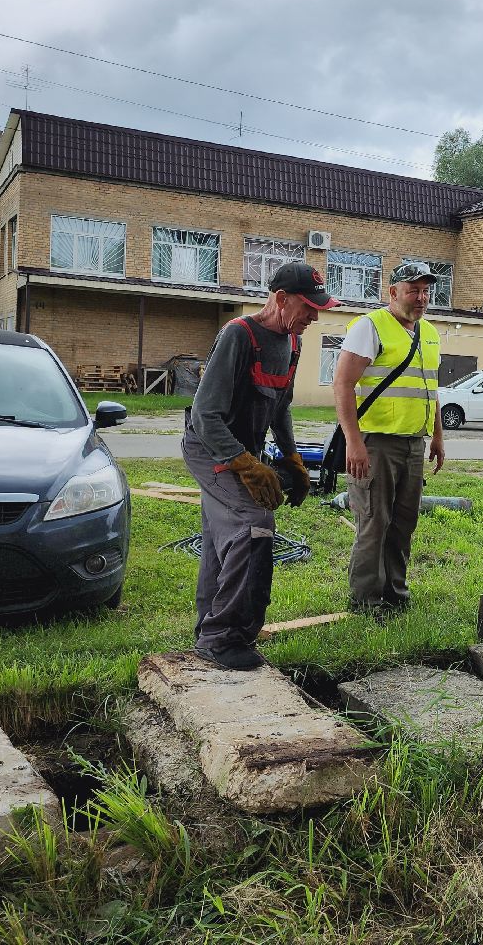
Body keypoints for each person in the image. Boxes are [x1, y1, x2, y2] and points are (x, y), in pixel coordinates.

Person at [181, 261, 337, 670]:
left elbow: (280, 406)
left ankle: (209, 630)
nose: (314, 316)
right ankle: (224, 637)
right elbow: (205, 416)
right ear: (281, 299)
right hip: (209, 447)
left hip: (245, 449)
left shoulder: (293, 345)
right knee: (254, 522)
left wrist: (291, 457)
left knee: (223, 534)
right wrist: (247, 466)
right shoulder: (238, 335)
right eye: (308, 307)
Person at [332, 261, 445, 614]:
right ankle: (366, 599)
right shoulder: (370, 327)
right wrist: (354, 441)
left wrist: (437, 437)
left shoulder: (429, 333)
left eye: (426, 290)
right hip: (376, 442)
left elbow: (431, 389)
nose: (421, 297)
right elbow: (343, 384)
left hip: (414, 442)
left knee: (403, 521)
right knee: (374, 521)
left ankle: (395, 593)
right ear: (393, 292)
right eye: (414, 290)